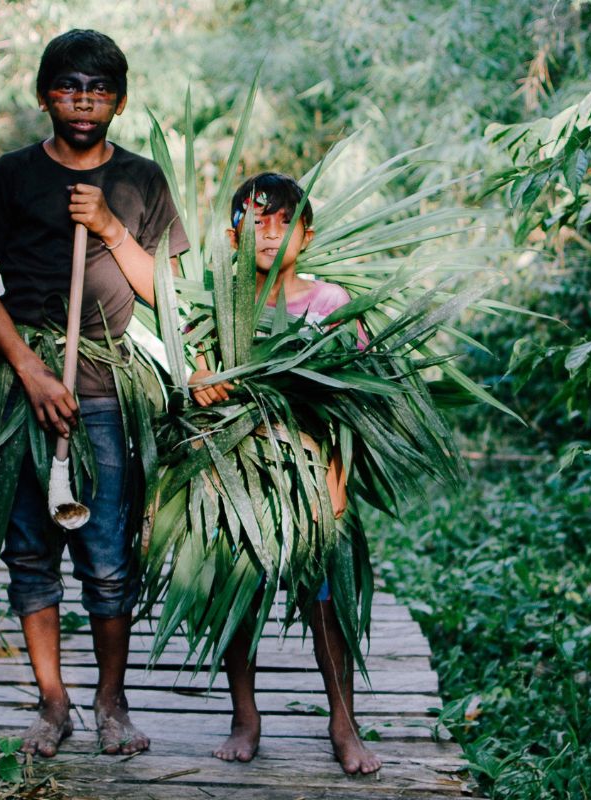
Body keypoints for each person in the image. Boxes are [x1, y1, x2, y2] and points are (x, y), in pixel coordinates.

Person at [0, 28, 187, 759]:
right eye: (68, 88)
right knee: (29, 553)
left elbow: (165, 295)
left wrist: (110, 226)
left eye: (99, 90)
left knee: (108, 558)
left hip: (106, 394)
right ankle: (53, 704)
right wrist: (29, 368)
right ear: (43, 95)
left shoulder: (142, 179)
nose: (83, 102)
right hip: (23, 392)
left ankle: (111, 703)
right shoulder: (15, 175)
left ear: (120, 100)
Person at [187, 172, 382, 775]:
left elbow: (356, 402)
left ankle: (343, 723)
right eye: (256, 223)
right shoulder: (219, 307)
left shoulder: (330, 306)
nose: (270, 234)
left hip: (314, 480)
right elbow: (194, 379)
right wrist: (198, 378)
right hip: (237, 479)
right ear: (234, 236)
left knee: (325, 602)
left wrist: (338, 478)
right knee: (236, 596)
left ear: (307, 234)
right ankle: (245, 717)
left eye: (284, 222)